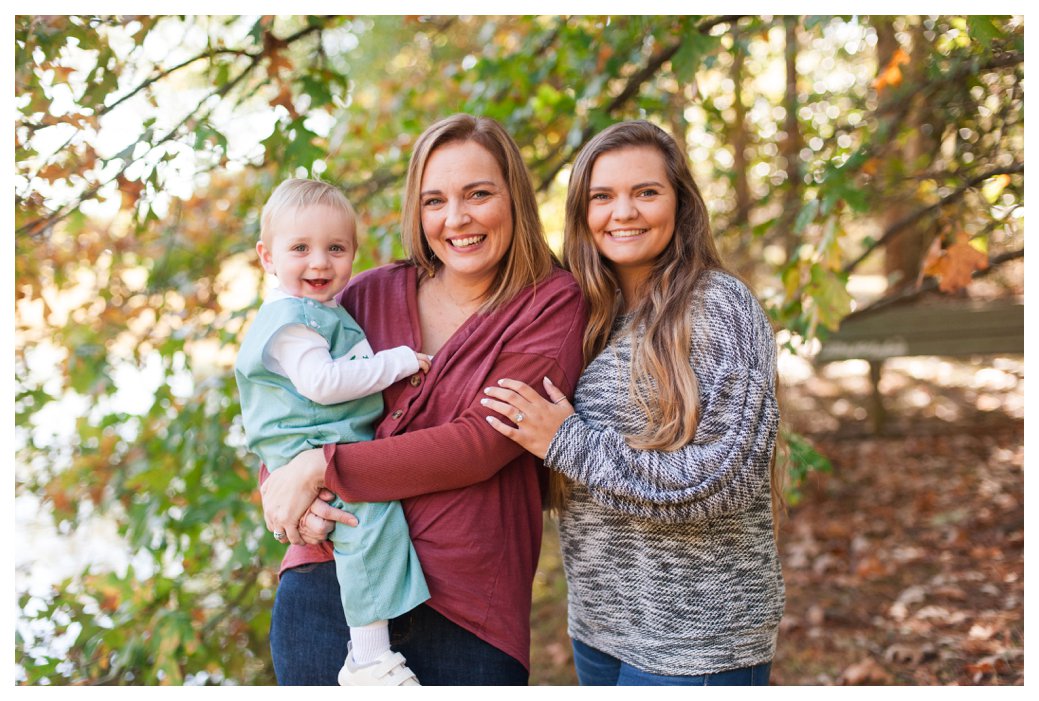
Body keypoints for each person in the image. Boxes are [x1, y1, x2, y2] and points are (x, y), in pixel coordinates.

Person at [257, 114, 588, 685]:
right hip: (328, 586)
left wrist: (322, 466)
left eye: (478, 194)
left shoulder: (551, 305)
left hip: (463, 608)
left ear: (515, 199)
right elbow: (288, 406)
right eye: (434, 200)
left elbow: (482, 441)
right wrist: (285, 493)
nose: (456, 219)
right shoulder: (364, 294)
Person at [481, 120, 785, 686]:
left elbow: (726, 480)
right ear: (582, 212)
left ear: (680, 203)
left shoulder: (718, 305)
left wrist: (568, 443)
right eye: (603, 196)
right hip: (599, 630)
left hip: (697, 639)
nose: (623, 212)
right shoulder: (583, 313)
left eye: (646, 192)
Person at [235, 178, 432, 685]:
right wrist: (398, 362)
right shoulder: (293, 322)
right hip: (305, 439)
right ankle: (367, 656)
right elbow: (321, 384)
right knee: (365, 521)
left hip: (315, 442)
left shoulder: (321, 312)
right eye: (300, 248)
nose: (320, 262)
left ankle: (370, 651)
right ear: (267, 256)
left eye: (335, 248)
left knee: (364, 518)